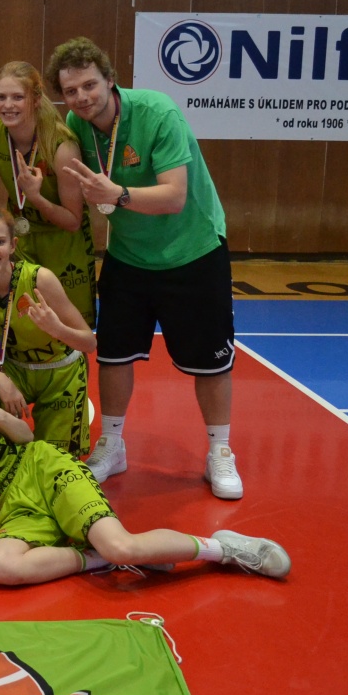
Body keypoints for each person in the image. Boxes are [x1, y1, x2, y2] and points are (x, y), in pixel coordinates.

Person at [0, 336, 290, 586]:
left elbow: (26, 437)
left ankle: (224, 548)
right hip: (9, 506)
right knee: (0, 568)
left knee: (123, 543)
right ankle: (99, 558)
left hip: (39, 467)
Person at [49, 36, 242, 500]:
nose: (82, 97)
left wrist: (116, 195)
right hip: (129, 256)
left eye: (89, 85)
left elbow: (174, 196)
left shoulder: (158, 113)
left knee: (210, 362)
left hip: (192, 252)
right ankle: (113, 444)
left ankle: (220, 450)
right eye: (71, 90)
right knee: (113, 354)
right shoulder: (77, 124)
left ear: (110, 81)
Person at [0, 205, 94, 456]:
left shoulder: (40, 279)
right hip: (12, 369)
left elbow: (89, 343)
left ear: (13, 245)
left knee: (49, 463)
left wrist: (57, 329)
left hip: (59, 374)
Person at [0, 61, 96, 326]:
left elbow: (73, 221)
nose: (8, 105)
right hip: (22, 240)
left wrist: (36, 197)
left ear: (36, 99)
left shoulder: (62, 147)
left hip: (63, 246)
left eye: (17, 97)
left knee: (68, 330)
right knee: (24, 325)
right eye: (1, 97)